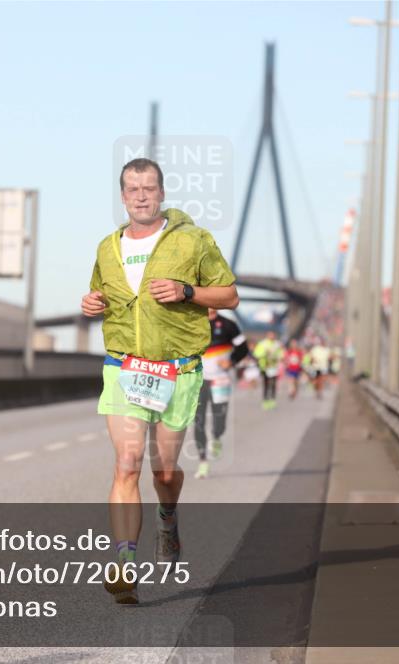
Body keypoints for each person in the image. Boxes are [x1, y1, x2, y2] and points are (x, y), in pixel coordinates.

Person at [81, 158, 239, 605]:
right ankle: (124, 563)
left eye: (149, 187)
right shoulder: (107, 247)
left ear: (162, 192)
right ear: (123, 195)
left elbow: (229, 294)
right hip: (124, 367)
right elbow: (103, 298)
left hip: (177, 370)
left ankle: (167, 519)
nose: (142, 195)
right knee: (127, 464)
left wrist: (188, 291)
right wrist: (92, 303)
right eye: (133, 189)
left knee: (163, 472)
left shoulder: (193, 241)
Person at [191, 308, 248, 479]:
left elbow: (243, 348)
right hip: (198, 380)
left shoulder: (229, 325)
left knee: (219, 420)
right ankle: (202, 461)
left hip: (221, 379)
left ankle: (216, 436)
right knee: (198, 421)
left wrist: (231, 361)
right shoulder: (193, 321)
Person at [253, 331, 283, 410]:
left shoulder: (277, 344)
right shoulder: (262, 344)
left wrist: (277, 357)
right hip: (265, 367)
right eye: (270, 335)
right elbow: (256, 353)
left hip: (273, 367)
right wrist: (265, 353)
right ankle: (265, 400)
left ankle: (272, 400)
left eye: (273, 335)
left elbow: (281, 354)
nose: (272, 337)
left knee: (273, 384)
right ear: (267, 335)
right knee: (266, 384)